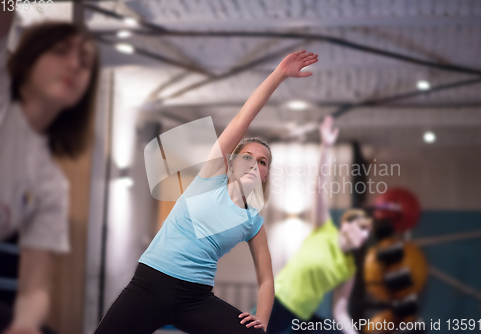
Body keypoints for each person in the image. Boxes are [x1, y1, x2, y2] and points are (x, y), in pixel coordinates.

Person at [94, 50, 319, 334]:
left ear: (265, 175)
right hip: (150, 284)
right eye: (247, 156)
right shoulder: (210, 178)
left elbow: (266, 279)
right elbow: (241, 120)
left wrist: (261, 320)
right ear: (233, 162)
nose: (254, 163)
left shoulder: (253, 221)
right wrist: (279, 74)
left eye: (263, 162)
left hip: (195, 298)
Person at [0, 12, 100, 334]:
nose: (73, 64)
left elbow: (35, 285)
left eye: (84, 61)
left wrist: (26, 324)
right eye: (60, 51)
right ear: (28, 59)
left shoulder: (51, 183)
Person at [267, 115, 373, 334]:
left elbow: (341, 310)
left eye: (368, 233)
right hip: (278, 302)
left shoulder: (349, 268)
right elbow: (319, 188)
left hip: (302, 317)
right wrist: (325, 146)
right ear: (345, 224)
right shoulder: (324, 229)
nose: (364, 236)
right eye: (362, 228)